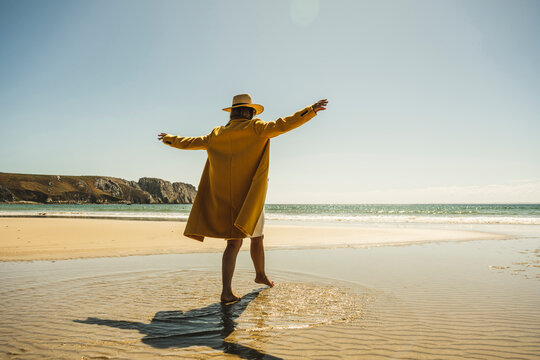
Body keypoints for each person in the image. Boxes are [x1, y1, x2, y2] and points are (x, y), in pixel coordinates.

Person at [158, 94, 328, 303]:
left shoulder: (217, 134)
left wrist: (170, 139)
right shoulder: (256, 129)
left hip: (223, 198)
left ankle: (259, 275)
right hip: (249, 198)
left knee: (246, 240)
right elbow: (284, 124)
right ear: (250, 112)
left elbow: (191, 142)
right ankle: (227, 292)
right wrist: (310, 110)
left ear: (233, 113)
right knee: (245, 241)